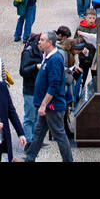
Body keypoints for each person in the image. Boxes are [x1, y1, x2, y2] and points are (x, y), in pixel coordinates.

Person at [25, 30, 75, 162]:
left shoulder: (55, 60)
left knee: (59, 134)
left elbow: (54, 85)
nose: (39, 42)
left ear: (50, 43)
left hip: (53, 106)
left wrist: (43, 105)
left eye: (42, 40)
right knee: (38, 134)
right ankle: (29, 158)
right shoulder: (47, 56)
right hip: (47, 106)